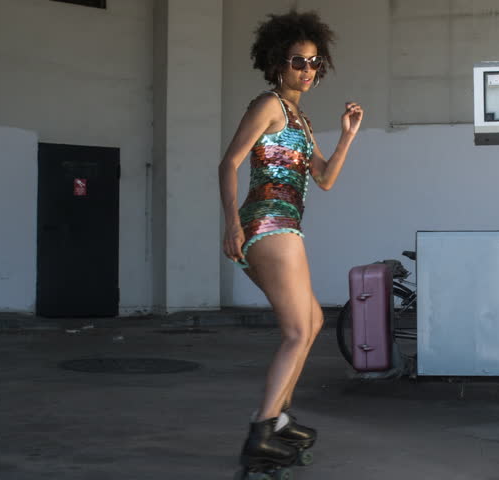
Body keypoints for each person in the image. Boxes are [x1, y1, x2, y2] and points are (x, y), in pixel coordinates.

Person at [218, 10, 363, 469]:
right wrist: (231, 223)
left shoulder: (297, 118)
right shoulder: (267, 105)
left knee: (314, 322)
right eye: (298, 61)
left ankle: (277, 420)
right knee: (299, 329)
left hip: (285, 223)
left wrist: (346, 138)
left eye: (314, 63)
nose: (306, 70)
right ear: (278, 63)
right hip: (267, 221)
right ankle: (263, 428)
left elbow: (322, 179)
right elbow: (228, 164)